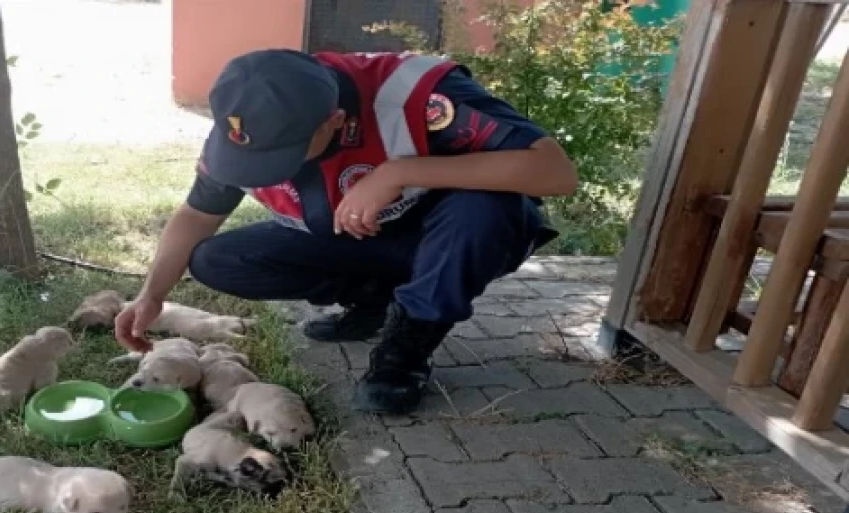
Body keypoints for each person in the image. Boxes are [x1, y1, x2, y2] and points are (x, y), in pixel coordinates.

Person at [114, 49, 577, 415]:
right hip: (357, 236)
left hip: (447, 236)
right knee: (215, 259)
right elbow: (197, 215)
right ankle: (375, 300)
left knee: (487, 206)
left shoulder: (415, 93)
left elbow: (555, 173)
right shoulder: (249, 122)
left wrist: (399, 172)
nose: (269, 171)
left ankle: (405, 352)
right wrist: (151, 294)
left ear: (334, 120)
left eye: (285, 155)